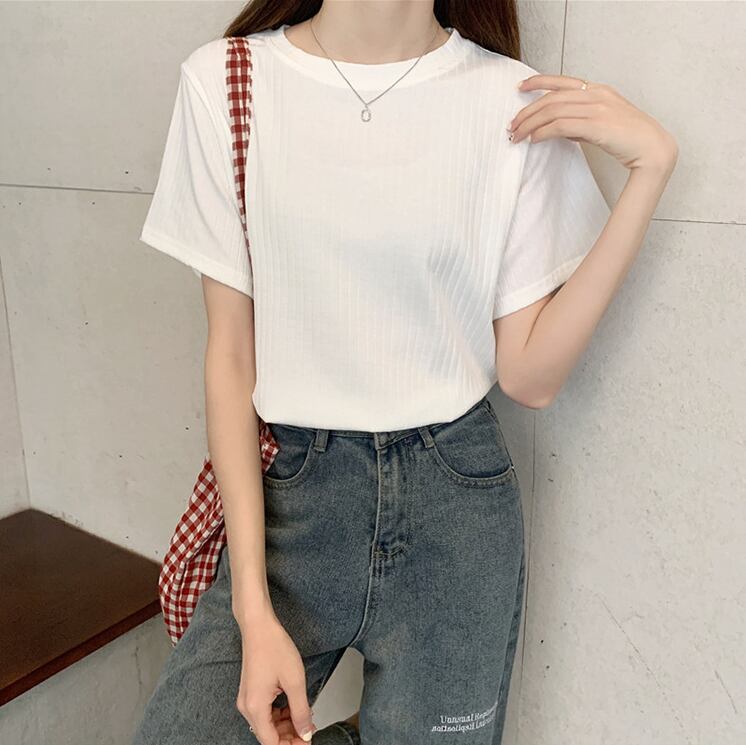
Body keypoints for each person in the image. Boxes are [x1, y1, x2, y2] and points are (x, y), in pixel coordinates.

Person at [132, 2, 678, 744]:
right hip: (293, 499)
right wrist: (253, 608)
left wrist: (650, 170)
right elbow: (230, 355)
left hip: (454, 503)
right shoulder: (229, 81)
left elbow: (531, 376)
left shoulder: (509, 99)